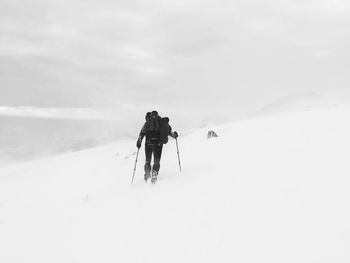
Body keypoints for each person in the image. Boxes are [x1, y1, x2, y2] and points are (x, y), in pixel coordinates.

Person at [136, 111, 178, 183]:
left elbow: (142, 133)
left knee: (147, 161)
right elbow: (167, 131)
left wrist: (139, 143)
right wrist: (174, 135)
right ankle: (154, 174)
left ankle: (147, 175)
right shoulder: (161, 123)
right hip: (158, 144)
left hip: (148, 144)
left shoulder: (147, 123)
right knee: (156, 161)